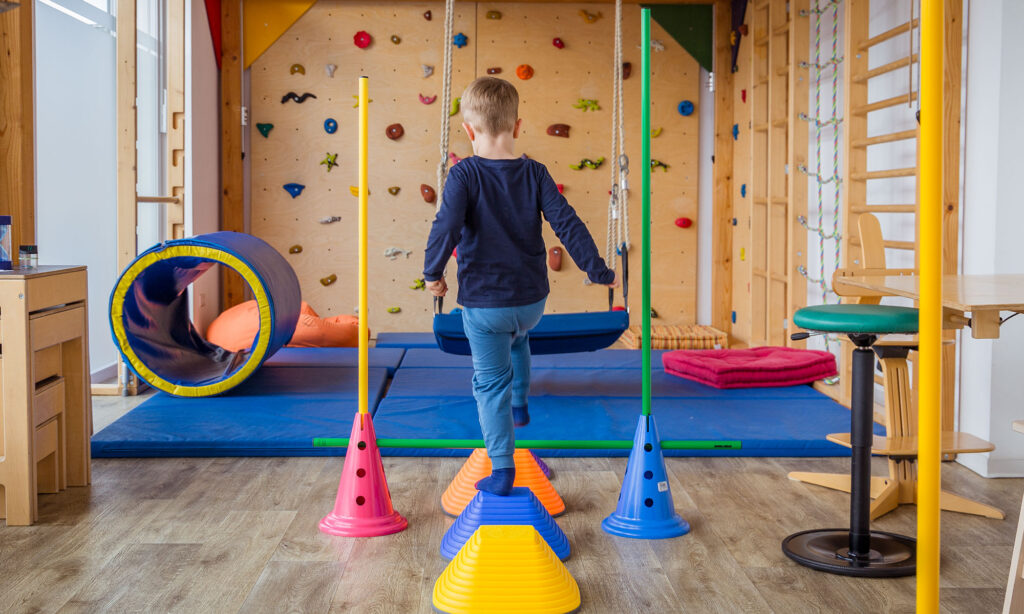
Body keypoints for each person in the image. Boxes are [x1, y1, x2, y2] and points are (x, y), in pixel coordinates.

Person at [423, 77, 618, 496]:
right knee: (518, 338)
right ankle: (521, 403)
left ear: (469, 130)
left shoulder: (464, 174)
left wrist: (432, 273)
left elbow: (447, 226)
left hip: (485, 305)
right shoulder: (535, 172)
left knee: (489, 383)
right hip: (532, 301)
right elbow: (568, 223)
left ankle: (502, 469)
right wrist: (598, 270)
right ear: (518, 125)